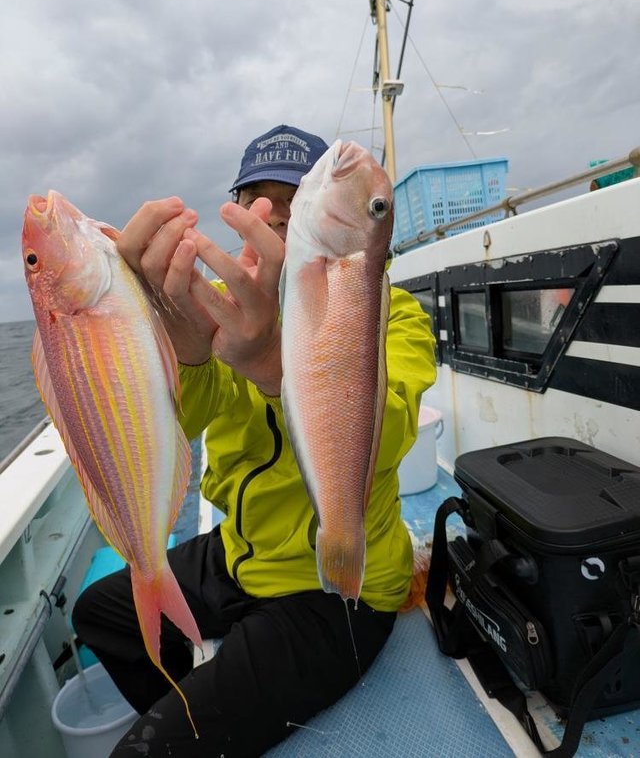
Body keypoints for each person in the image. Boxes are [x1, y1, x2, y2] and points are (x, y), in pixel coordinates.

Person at [72, 124, 437, 757]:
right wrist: (186, 351)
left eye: (295, 201)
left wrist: (274, 364)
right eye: (260, 201)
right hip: (240, 552)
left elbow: (387, 436)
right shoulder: (211, 307)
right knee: (99, 613)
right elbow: (182, 423)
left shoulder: (391, 312)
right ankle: (189, 703)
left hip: (333, 589)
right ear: (238, 213)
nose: (278, 219)